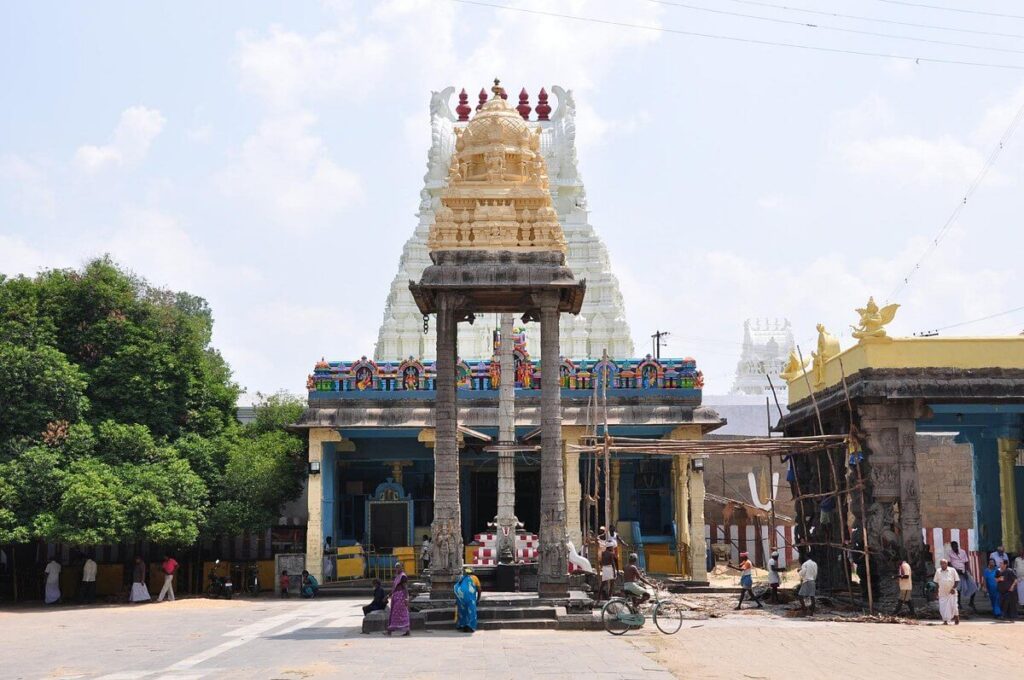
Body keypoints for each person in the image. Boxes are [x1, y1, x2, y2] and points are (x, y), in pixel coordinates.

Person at [386, 562, 410, 636]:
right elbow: (394, 588)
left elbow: (405, 587)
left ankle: (392, 630)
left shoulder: (403, 576)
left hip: (401, 597)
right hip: (395, 597)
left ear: (402, 568)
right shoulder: (397, 576)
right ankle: (390, 630)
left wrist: (406, 598)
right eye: (396, 567)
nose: (397, 569)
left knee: (400, 613)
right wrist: (389, 595)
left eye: (398, 567)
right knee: (394, 613)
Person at [454, 566, 481, 633]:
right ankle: (471, 626)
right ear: (472, 572)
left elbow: (456, 587)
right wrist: (478, 599)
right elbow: (479, 590)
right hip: (470, 599)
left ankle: (462, 625)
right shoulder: (475, 578)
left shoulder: (461, 578)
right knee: (471, 612)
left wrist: (457, 599)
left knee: (463, 612)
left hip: (461, 599)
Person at [934, 558, 960, 625]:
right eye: (942, 563)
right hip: (942, 593)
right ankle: (945, 621)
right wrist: (936, 591)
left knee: (954, 606)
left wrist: (953, 588)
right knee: (943, 607)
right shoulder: (938, 571)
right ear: (940, 564)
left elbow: (957, 580)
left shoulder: (952, 570)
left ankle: (956, 617)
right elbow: (936, 582)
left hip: (951, 592)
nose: (943, 565)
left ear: (947, 564)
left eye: (944, 563)